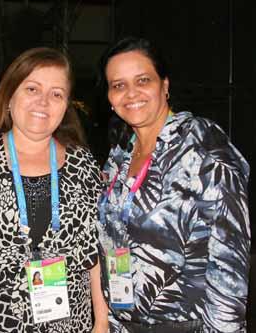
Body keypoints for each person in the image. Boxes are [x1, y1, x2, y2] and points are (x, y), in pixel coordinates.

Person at [0, 47, 108, 333]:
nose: (43, 101)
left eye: (56, 94)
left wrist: (101, 321)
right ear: (10, 97)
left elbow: (95, 252)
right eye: (32, 88)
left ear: (65, 106)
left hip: (65, 325)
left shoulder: (83, 166)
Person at [96, 36, 251, 333]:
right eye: (118, 85)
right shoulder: (119, 158)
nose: (131, 93)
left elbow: (229, 263)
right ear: (110, 98)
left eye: (143, 80)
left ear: (164, 86)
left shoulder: (203, 147)